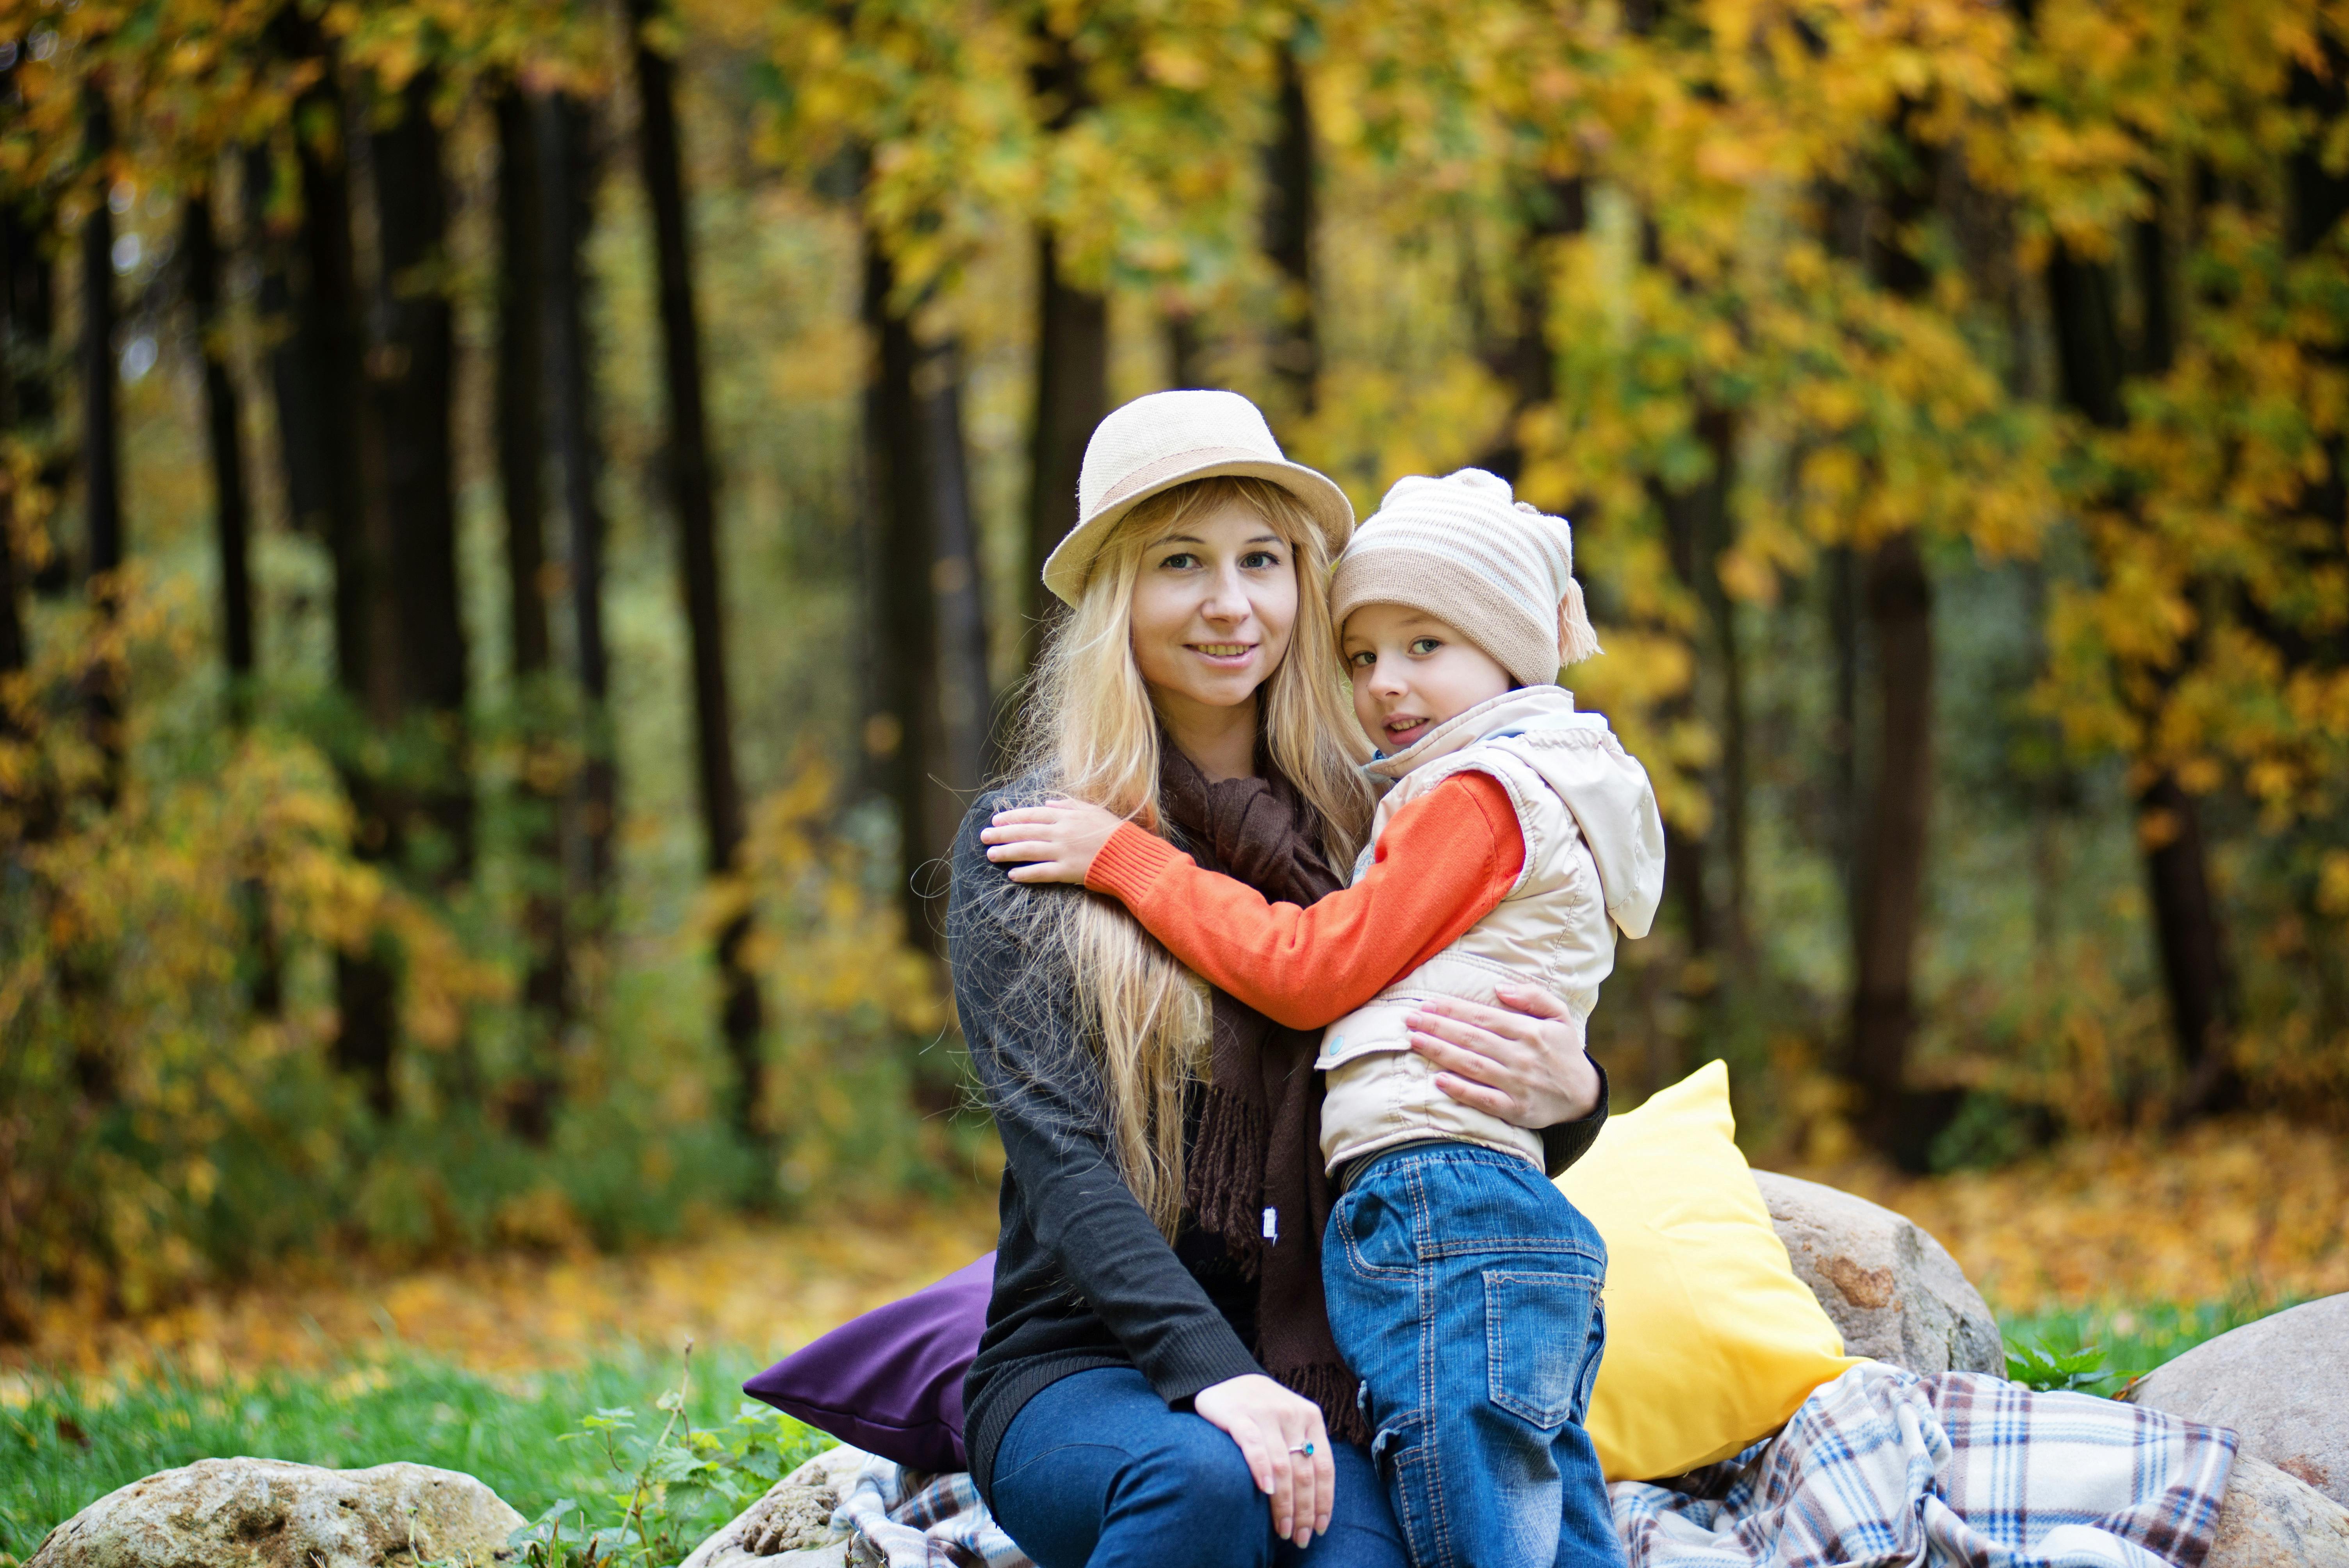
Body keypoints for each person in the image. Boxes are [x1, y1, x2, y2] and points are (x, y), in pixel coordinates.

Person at [952, 392, 1614, 1568]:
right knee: (1206, 1485)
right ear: (1117, 599)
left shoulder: (1376, 829)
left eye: (1262, 560)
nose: (1231, 602)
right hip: (1091, 1362)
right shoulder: (1040, 838)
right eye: (1181, 564)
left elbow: (1420, 1115)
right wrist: (1215, 1379)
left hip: (1336, 1357)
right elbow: (1063, 1164)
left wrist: (1572, 1098)